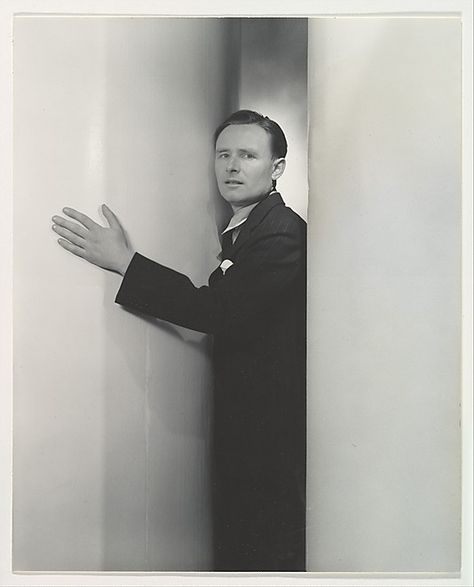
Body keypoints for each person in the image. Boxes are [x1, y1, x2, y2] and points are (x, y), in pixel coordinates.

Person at [51, 110, 307, 571]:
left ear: (277, 168)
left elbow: (219, 311)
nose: (231, 166)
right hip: (249, 434)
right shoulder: (250, 227)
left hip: (268, 441)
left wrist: (126, 262)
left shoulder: (285, 232)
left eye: (248, 155)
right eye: (223, 154)